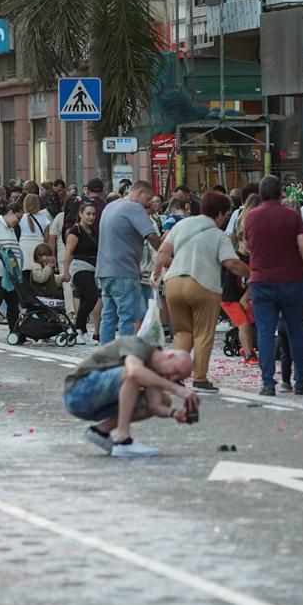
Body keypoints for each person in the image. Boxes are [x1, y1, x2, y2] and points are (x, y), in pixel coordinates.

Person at [152, 191, 247, 391]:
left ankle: (176, 375)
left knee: (182, 332)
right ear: (220, 214)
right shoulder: (217, 235)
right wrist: (252, 273)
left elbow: (162, 252)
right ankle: (200, 378)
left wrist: (156, 273)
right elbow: (231, 263)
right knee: (203, 333)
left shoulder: (181, 225)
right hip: (202, 286)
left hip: (174, 283)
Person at [62, 335, 197, 458]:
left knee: (164, 400)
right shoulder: (137, 344)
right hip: (77, 393)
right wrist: (177, 389)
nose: (172, 377)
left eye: (177, 378)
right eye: (175, 371)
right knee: (134, 374)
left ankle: (100, 431)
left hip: (97, 404)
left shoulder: (156, 371)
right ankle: (123, 441)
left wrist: (174, 413)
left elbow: (154, 406)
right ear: (170, 356)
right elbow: (134, 372)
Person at [244, 175, 303, 397]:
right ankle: (301, 381)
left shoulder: (251, 217)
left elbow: (247, 246)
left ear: (260, 194)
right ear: (281, 193)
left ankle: (267, 383)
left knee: (265, 332)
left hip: (261, 282)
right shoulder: (292, 216)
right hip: (291, 281)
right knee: (295, 331)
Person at [95, 181, 163, 344]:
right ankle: (125, 354)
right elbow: (151, 236)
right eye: (147, 199)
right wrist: (165, 253)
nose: (149, 204)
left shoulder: (110, 206)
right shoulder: (134, 208)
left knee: (109, 316)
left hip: (105, 270)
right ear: (139, 193)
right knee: (127, 317)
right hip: (124, 271)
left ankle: (106, 354)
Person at [63, 200, 102, 341]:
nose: (91, 217)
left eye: (93, 214)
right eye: (88, 214)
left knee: (87, 299)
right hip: (80, 268)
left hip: (94, 269)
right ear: (80, 214)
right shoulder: (75, 231)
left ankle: (82, 330)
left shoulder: (94, 231)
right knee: (92, 297)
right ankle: (77, 327)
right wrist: (66, 272)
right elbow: (68, 252)